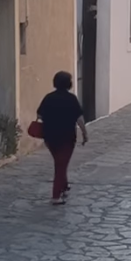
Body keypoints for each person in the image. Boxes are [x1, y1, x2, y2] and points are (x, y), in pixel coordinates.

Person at [37, 71, 88, 206]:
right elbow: (79, 118)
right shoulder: (71, 99)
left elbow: (40, 115)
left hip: (50, 137)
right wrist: (85, 133)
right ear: (69, 84)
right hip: (67, 138)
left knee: (59, 163)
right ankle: (56, 196)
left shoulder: (48, 97)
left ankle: (64, 187)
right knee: (60, 166)